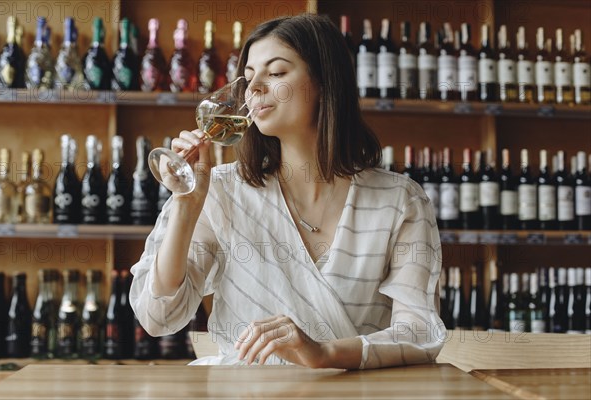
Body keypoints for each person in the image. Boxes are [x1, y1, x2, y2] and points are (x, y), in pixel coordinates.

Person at [130, 14, 445, 369]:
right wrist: (186, 205)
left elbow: (419, 334)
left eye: (276, 73)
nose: (253, 89)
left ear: (326, 81)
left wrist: (323, 354)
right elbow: (157, 316)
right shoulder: (221, 191)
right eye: (248, 78)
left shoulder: (400, 201)